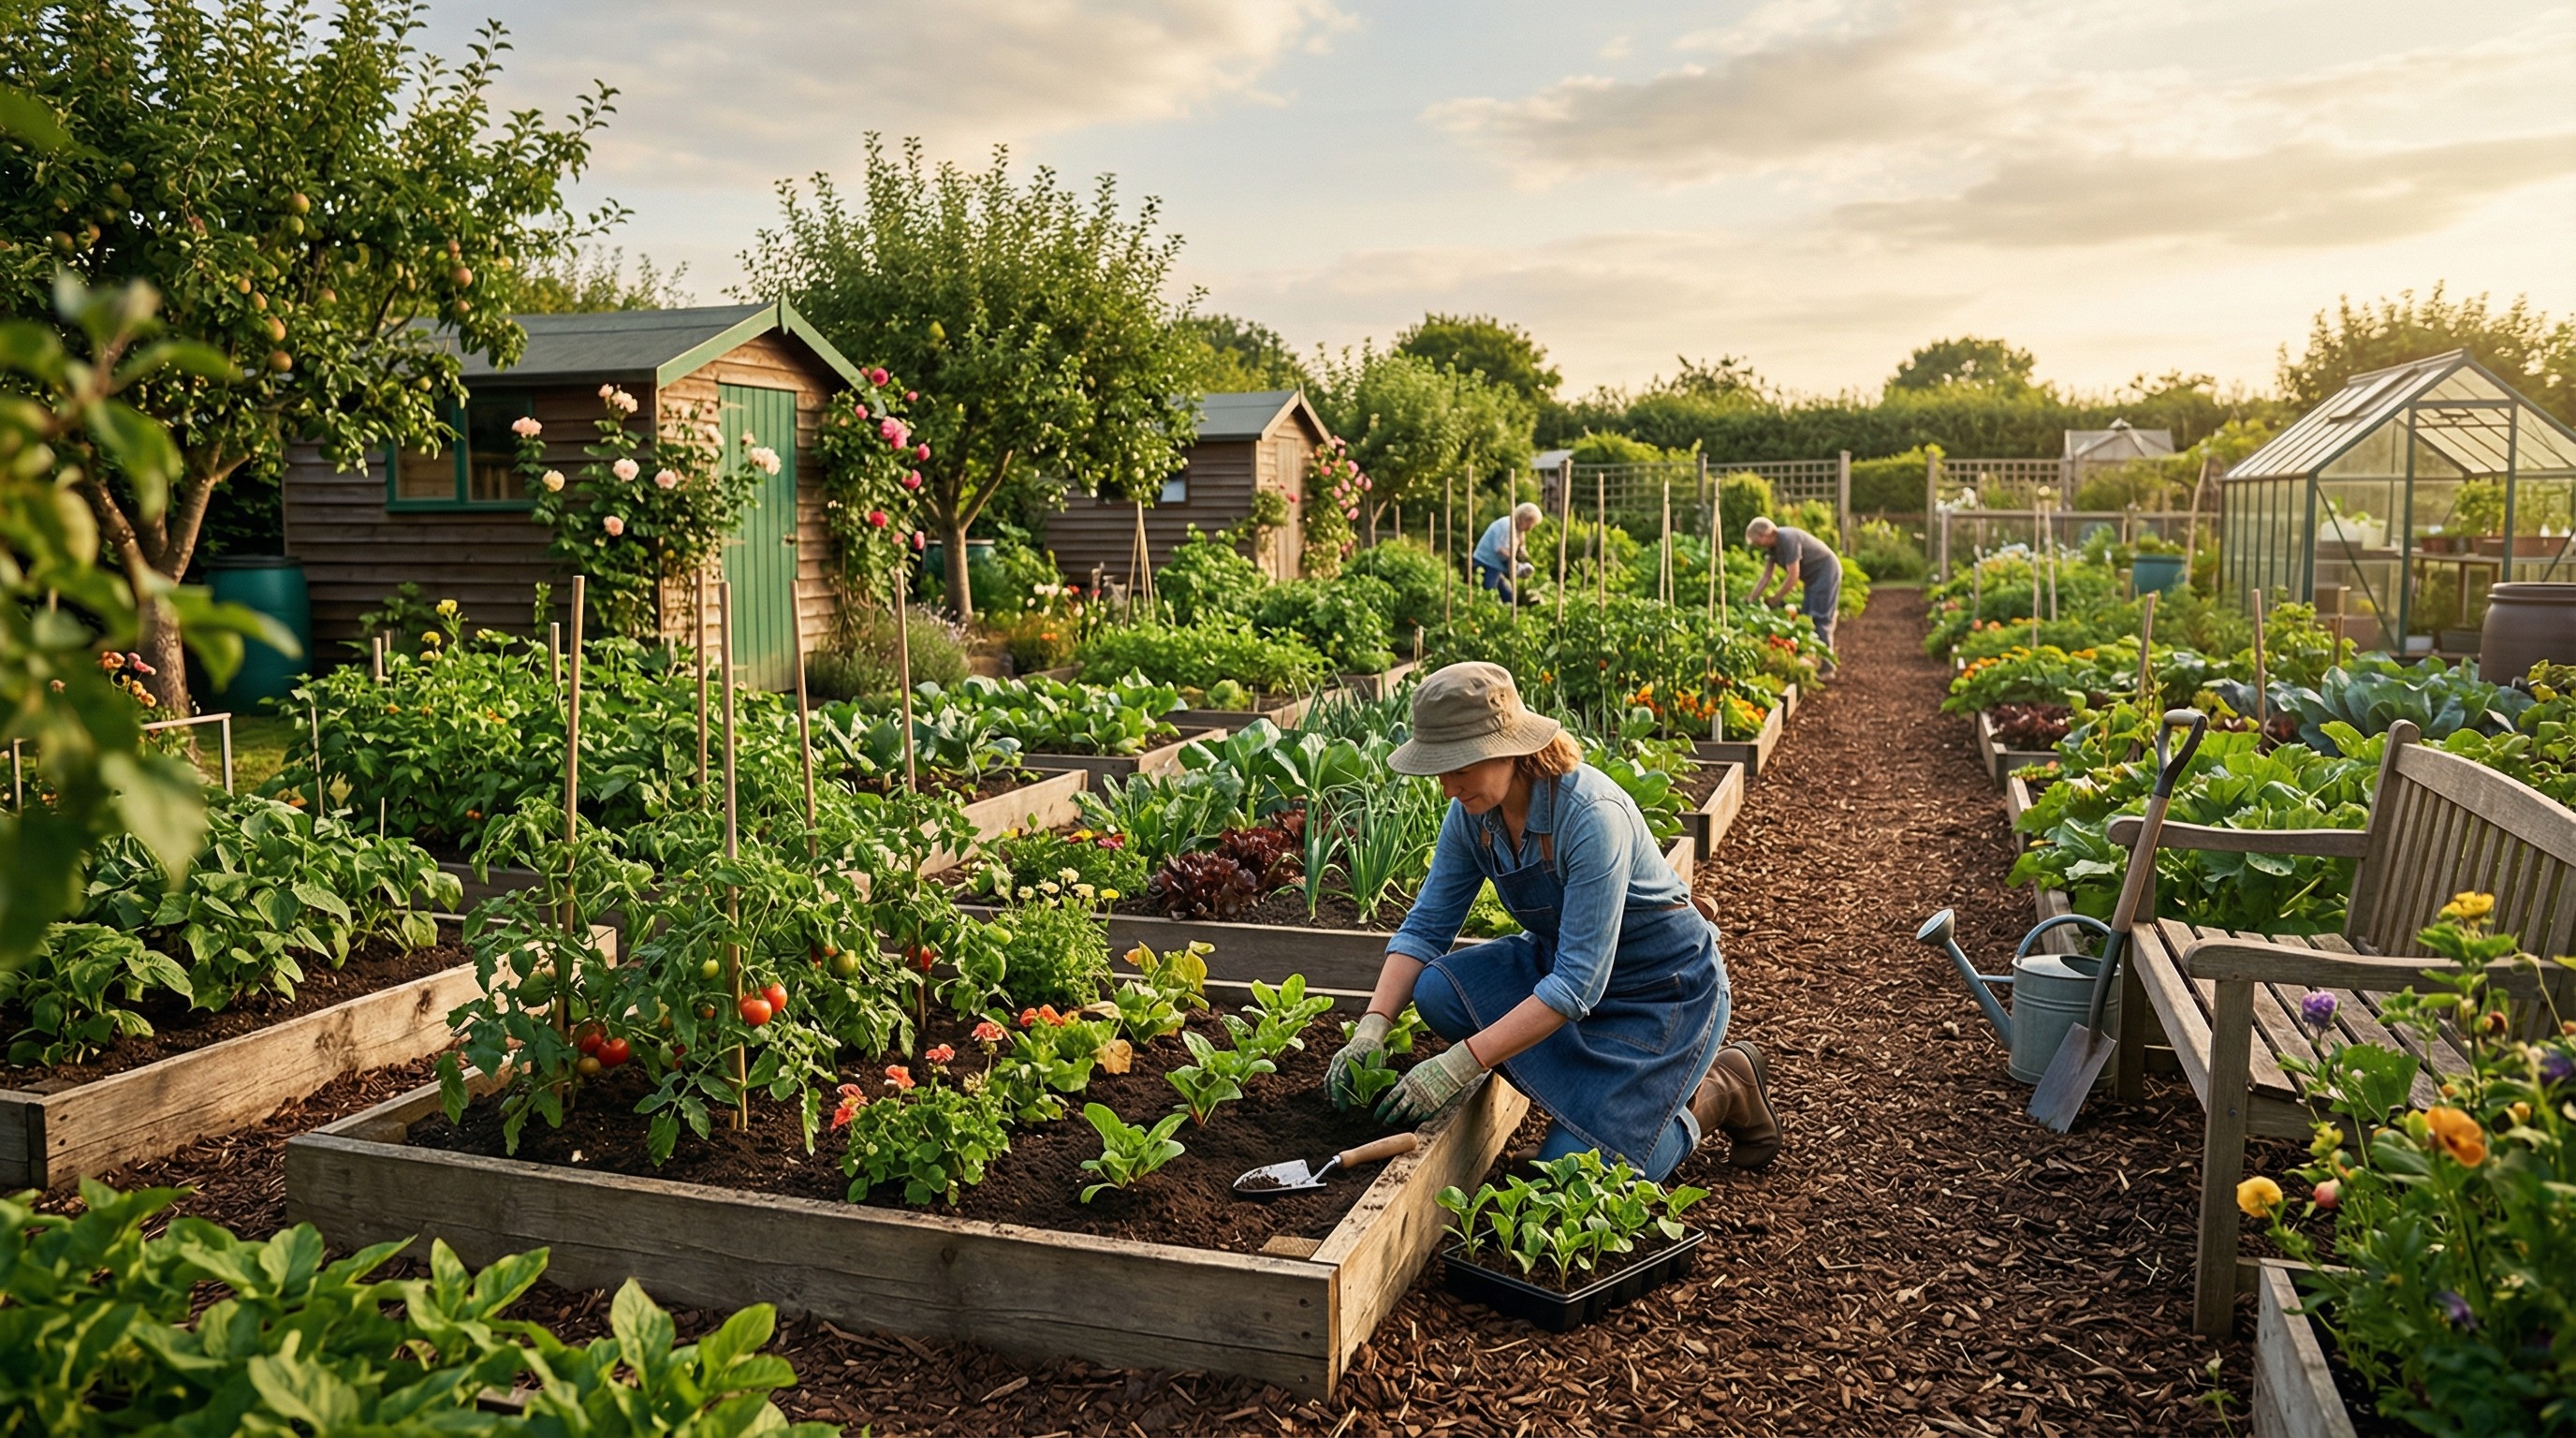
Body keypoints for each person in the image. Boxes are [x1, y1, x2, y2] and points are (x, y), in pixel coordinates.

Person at [1325, 662, 1782, 1178]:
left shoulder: (1590, 815)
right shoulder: (1474, 815)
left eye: (1460, 767)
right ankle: (1596, 1108)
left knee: (1574, 1175)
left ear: (1507, 750)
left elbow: (1577, 984)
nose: (1448, 787)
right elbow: (1427, 927)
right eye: (1439, 770)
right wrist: (1373, 1026)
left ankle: (1723, 1087)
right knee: (1438, 991)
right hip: (1563, 970)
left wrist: (1460, 1063)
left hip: (1662, 992)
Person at [1746, 515, 1842, 665]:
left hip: (1826, 572)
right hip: (1812, 579)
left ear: (1764, 534)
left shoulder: (1787, 539)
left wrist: (1776, 598)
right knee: (1807, 618)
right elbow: (1766, 576)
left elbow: (1793, 576)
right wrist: (1751, 599)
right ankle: (1816, 663)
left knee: (1819, 618)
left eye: (1757, 541)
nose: (1757, 545)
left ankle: (1827, 667)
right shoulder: (1772, 548)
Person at [1472, 503, 1543, 602]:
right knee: (1489, 595)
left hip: (1496, 565)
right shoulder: (1507, 526)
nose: (1530, 528)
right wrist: (1516, 565)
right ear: (1524, 518)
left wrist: (1522, 551)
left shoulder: (1518, 530)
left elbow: (1519, 548)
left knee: (1509, 597)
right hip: (1486, 563)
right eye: (1531, 523)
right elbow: (1500, 550)